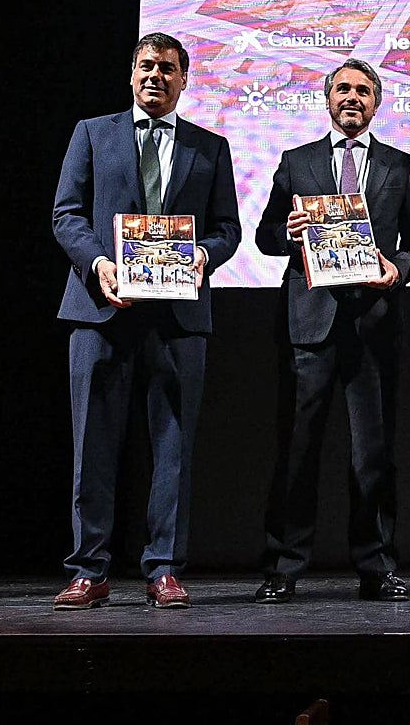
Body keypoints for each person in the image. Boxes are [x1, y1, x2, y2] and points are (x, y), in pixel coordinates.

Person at [51, 32, 241, 610]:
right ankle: (89, 568)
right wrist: (101, 264)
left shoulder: (211, 148)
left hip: (179, 319)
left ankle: (163, 568)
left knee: (173, 447)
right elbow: (66, 215)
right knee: (93, 445)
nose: (154, 76)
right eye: (145, 67)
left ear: (185, 79)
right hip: (101, 309)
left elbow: (227, 229)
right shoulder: (92, 133)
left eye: (166, 68)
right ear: (132, 75)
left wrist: (204, 255)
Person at [252, 59, 410, 604]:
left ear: (376, 103)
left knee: (371, 455)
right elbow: (263, 238)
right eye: (343, 90)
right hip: (309, 324)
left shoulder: (401, 165)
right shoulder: (296, 163)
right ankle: (283, 567)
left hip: (373, 324)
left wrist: (397, 268)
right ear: (328, 99)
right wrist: (289, 230)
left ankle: (376, 566)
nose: (352, 98)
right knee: (298, 450)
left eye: (363, 91)